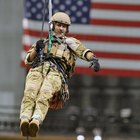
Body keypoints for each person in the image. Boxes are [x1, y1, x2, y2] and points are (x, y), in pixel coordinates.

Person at [19, 12, 100, 137]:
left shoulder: (69, 42)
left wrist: (93, 59)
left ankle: (36, 120)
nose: (61, 28)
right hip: (38, 69)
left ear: (67, 29)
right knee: (30, 91)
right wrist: (36, 49)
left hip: (56, 73)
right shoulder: (43, 42)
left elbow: (83, 51)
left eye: (64, 26)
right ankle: (24, 119)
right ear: (52, 26)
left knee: (44, 93)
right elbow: (28, 60)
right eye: (58, 25)